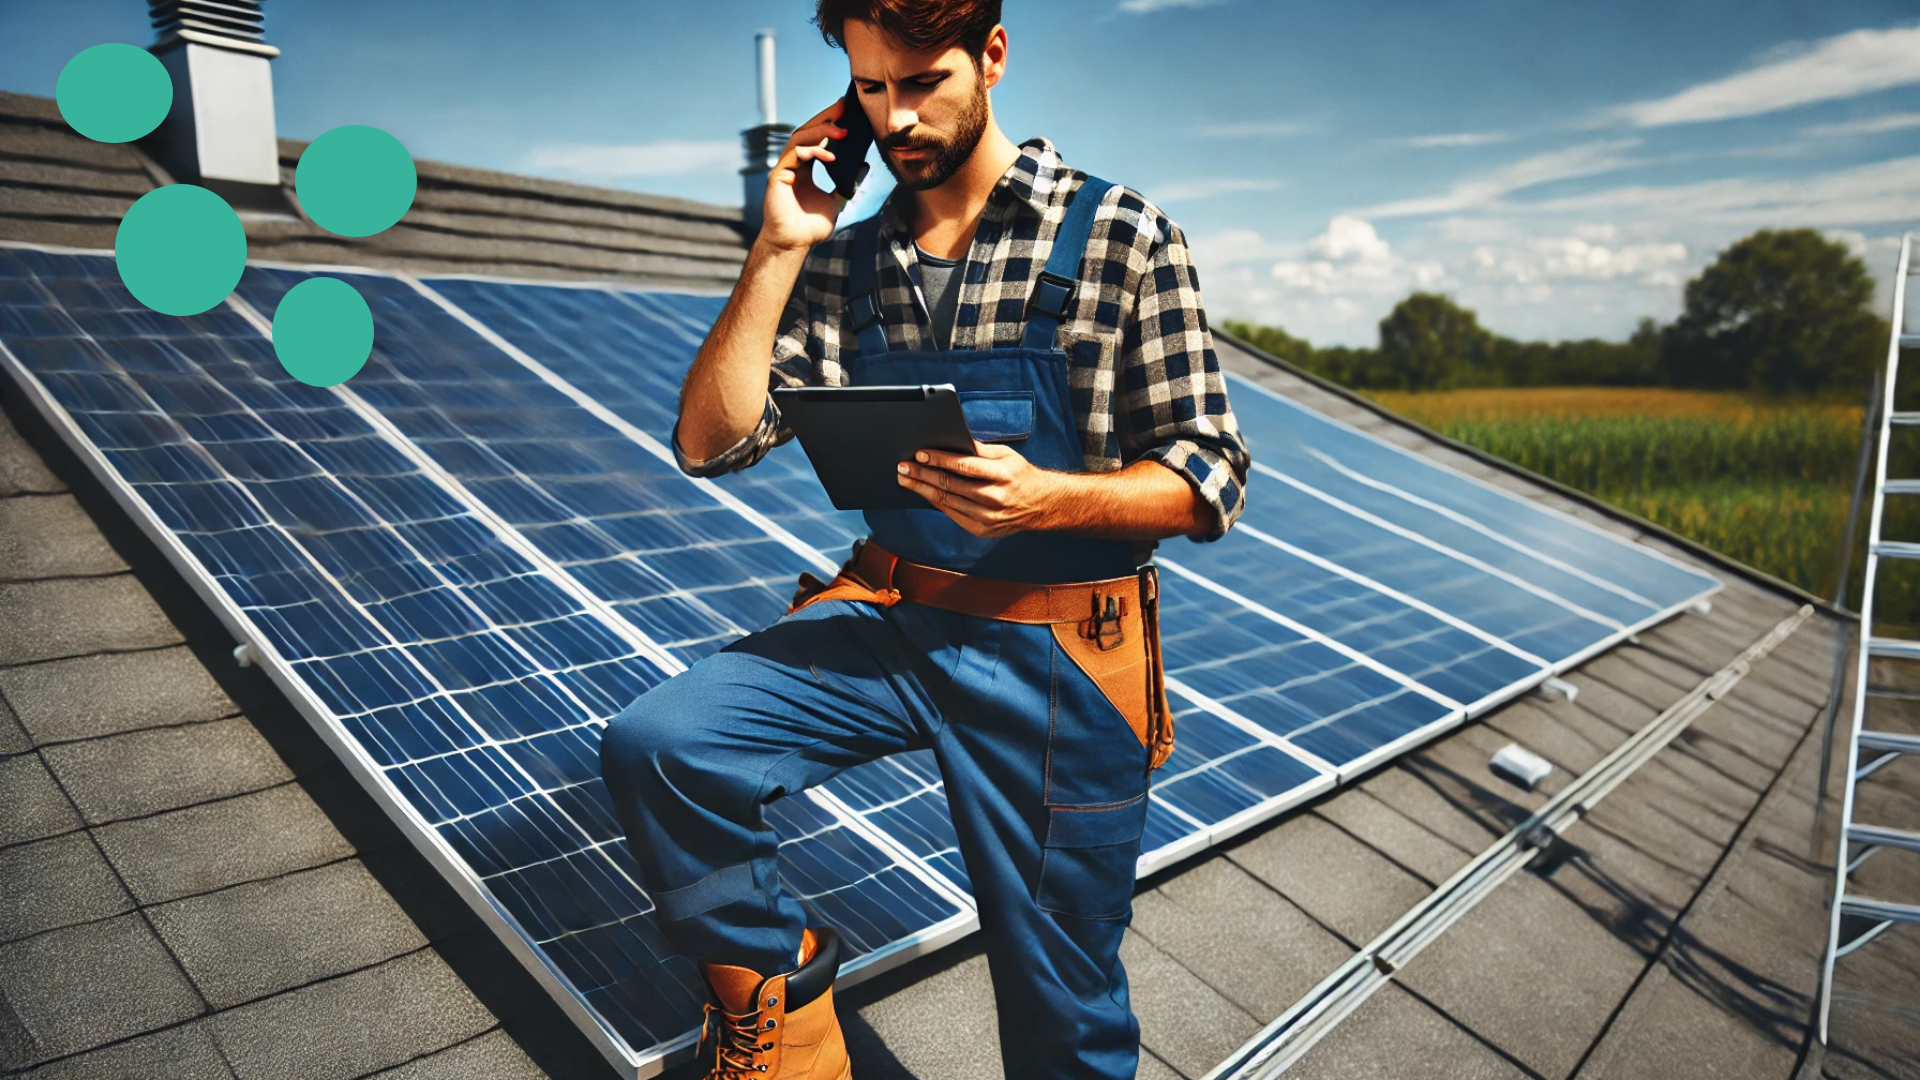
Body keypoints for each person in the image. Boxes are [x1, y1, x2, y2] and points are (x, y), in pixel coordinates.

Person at [599, 2, 1251, 1076]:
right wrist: (778, 245)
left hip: (1064, 661)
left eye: (921, 81)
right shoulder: (843, 265)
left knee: (1063, 1011)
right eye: (867, 88)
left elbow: (1210, 473)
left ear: (992, 55)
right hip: (895, 621)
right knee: (664, 746)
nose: (893, 116)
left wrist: (1050, 499)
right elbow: (711, 444)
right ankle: (785, 997)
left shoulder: (1123, 236)